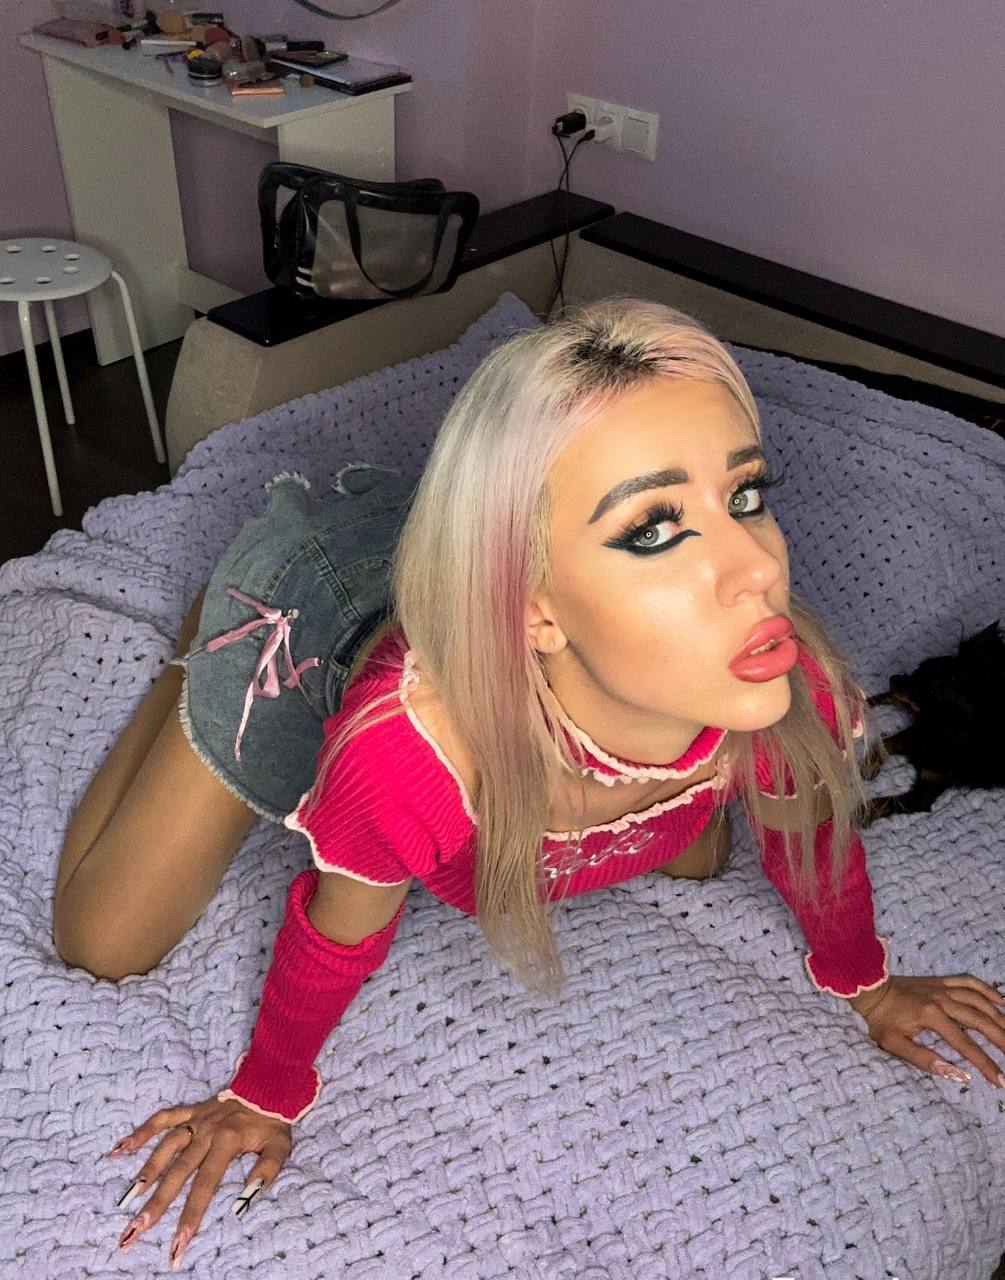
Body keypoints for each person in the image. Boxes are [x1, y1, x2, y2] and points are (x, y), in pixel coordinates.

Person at [52, 298, 1005, 1269]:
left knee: (699, 850)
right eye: (654, 528)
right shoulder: (409, 757)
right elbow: (339, 929)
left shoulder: (777, 677)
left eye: (746, 495)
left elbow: (808, 826)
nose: (756, 568)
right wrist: (264, 1095)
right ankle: (206, 633)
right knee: (102, 944)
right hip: (327, 611)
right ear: (535, 606)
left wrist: (866, 983)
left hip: (508, 596)